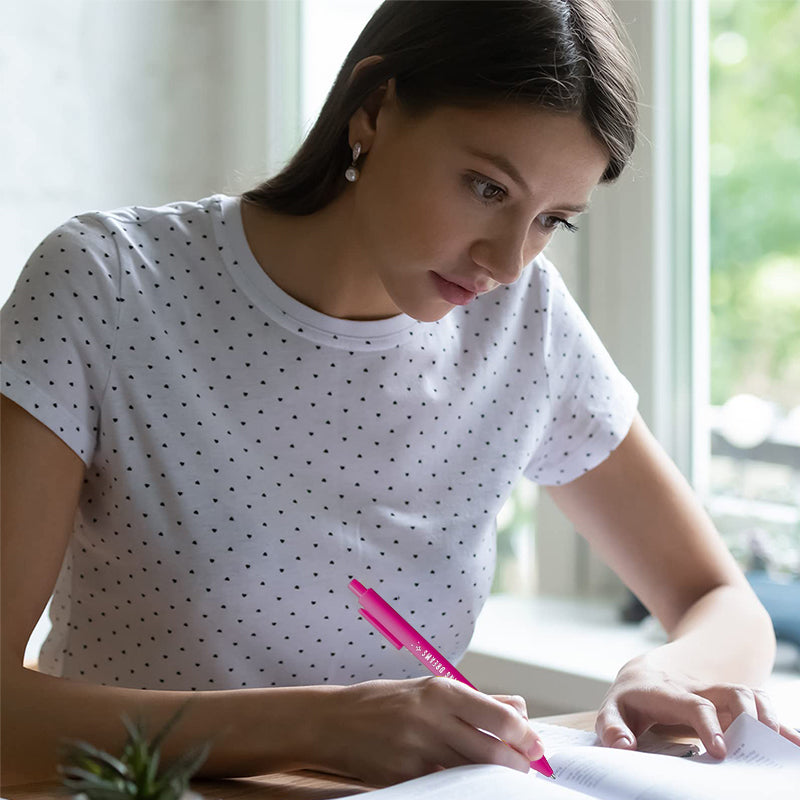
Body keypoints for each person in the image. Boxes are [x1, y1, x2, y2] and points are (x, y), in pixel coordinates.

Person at [2, 0, 797, 788]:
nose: (507, 260)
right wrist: (317, 726)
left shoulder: (523, 323)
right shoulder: (106, 284)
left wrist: (671, 671)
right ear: (374, 109)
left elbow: (721, 599)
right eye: (486, 188)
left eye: (554, 219)